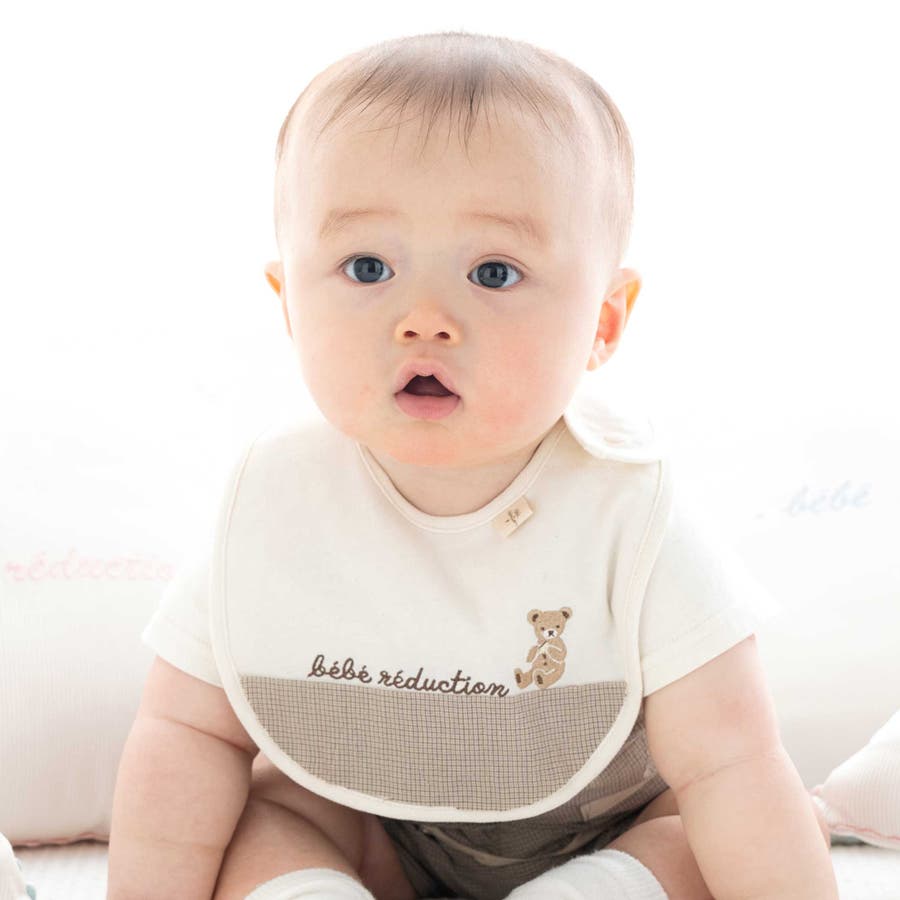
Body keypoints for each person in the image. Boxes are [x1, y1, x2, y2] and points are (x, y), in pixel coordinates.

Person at [107, 29, 836, 900]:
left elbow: (732, 765)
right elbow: (185, 733)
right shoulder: (280, 503)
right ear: (290, 305)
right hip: (378, 829)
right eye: (367, 266)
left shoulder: (628, 512)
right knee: (268, 815)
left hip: (606, 823)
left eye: (493, 272)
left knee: (708, 834)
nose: (424, 317)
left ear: (603, 322)